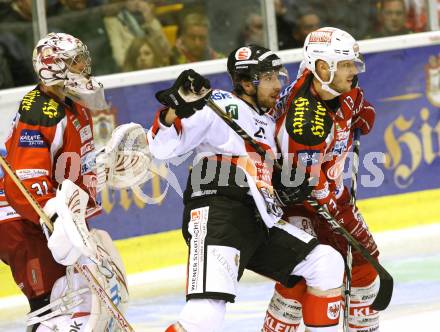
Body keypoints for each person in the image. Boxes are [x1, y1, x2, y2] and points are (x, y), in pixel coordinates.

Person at [147, 44, 346, 332]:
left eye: (279, 76)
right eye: (268, 78)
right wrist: (174, 111)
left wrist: (283, 185)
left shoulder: (268, 121)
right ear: (244, 82)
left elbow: (261, 173)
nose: (278, 85)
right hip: (219, 213)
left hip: (259, 219)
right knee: (205, 316)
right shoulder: (217, 104)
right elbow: (162, 148)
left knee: (325, 263)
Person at [2, 32, 128, 331]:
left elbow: (71, 165)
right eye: (76, 61)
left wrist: (104, 165)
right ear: (53, 66)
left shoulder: (74, 105)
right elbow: (28, 178)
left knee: (73, 301)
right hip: (21, 221)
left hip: (45, 219)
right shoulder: (40, 112)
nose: (84, 66)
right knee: (53, 308)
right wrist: (55, 218)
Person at [262, 27, 379, 332]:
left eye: (354, 63)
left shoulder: (334, 84)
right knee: (301, 275)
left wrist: (358, 112)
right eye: (346, 65)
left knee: (365, 264)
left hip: (330, 192)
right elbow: (308, 184)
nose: (353, 71)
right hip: (296, 202)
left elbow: (361, 111)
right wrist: (338, 214)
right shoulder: (306, 123)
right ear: (323, 68)